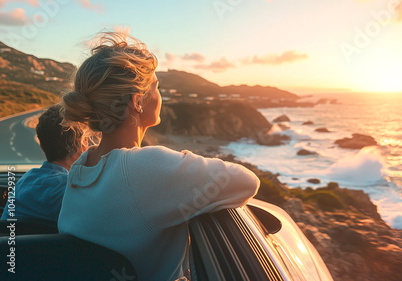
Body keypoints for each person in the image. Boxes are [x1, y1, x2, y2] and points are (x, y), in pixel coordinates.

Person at [58, 31, 259, 281]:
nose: (160, 95)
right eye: (157, 87)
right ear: (137, 101)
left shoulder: (80, 167)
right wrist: (184, 161)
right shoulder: (145, 167)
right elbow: (247, 181)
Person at [1, 104, 86, 222]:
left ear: (42, 147)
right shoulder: (73, 191)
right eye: (86, 140)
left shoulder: (22, 184)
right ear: (83, 146)